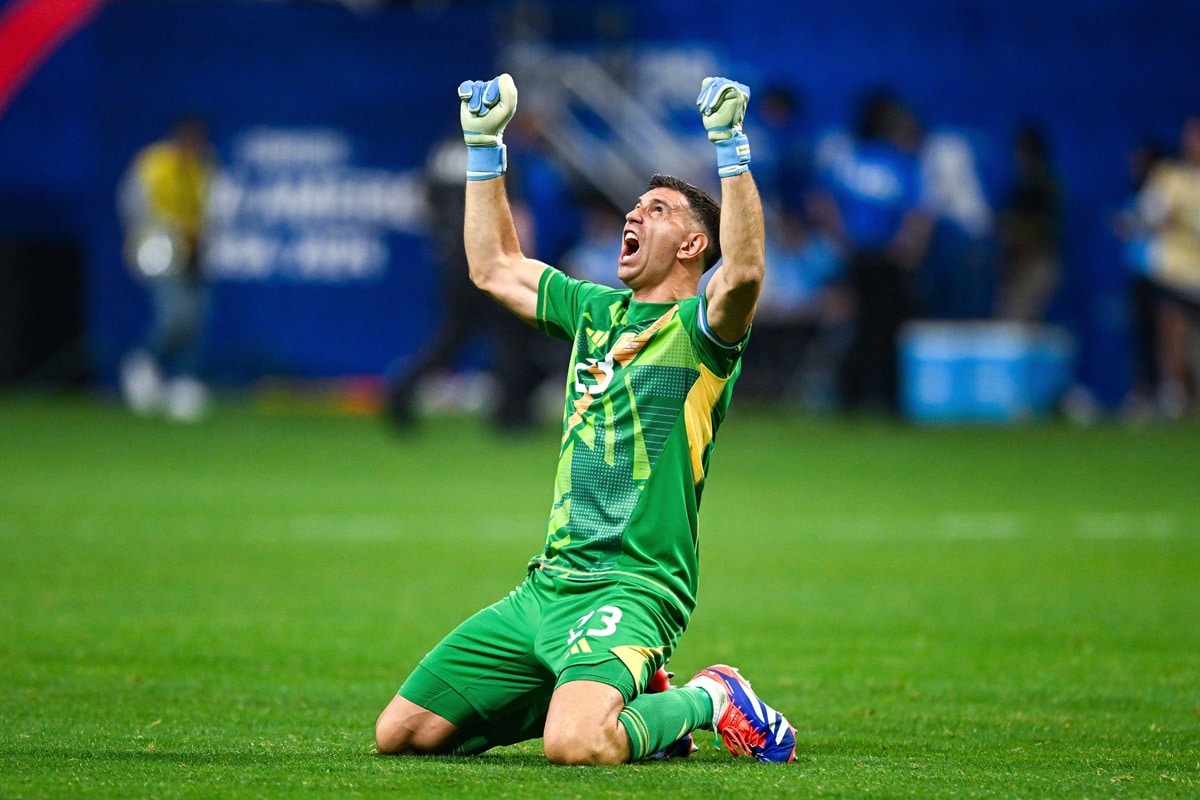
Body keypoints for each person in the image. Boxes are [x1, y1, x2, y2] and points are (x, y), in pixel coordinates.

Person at [375, 73, 796, 765]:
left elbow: (745, 270)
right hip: (549, 585)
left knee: (575, 746)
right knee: (402, 735)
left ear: (693, 247)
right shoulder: (594, 311)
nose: (634, 216)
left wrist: (732, 146)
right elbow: (495, 267)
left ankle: (711, 696)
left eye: (657, 210)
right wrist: (484, 146)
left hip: (633, 586)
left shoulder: (701, 332)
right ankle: (616, 695)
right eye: (634, 207)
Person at [117, 117, 214, 422]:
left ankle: (185, 383)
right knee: (173, 315)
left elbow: (210, 210)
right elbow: (132, 204)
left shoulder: (204, 167)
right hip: (159, 246)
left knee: (194, 319)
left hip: (194, 251)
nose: (191, 148)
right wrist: (142, 238)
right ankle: (142, 364)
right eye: (187, 141)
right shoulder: (154, 163)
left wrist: (201, 236)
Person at [1132, 116, 1200, 418]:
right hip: (1173, 271)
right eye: (1191, 136)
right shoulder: (1169, 177)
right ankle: (1173, 393)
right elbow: (1149, 215)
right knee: (1170, 329)